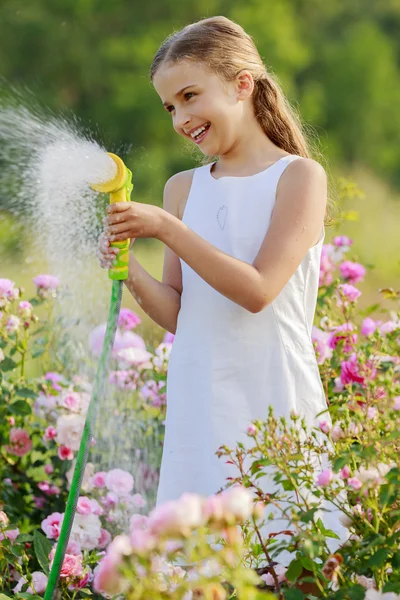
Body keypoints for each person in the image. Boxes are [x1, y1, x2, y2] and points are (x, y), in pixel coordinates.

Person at [97, 15, 347, 562]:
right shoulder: (182, 188)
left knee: (293, 557)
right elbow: (180, 313)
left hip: (273, 399)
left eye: (190, 95)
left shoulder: (299, 177)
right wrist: (128, 268)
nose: (182, 118)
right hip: (200, 401)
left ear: (242, 83)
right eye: (169, 107)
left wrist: (168, 229)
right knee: (202, 566)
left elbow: (258, 291)